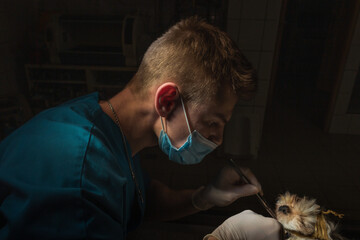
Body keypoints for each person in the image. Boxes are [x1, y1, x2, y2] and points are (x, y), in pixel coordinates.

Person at [0, 17, 281, 239]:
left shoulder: (109, 127)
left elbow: (140, 200)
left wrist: (204, 197)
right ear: (167, 100)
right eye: (212, 123)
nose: (217, 139)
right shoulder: (80, 178)